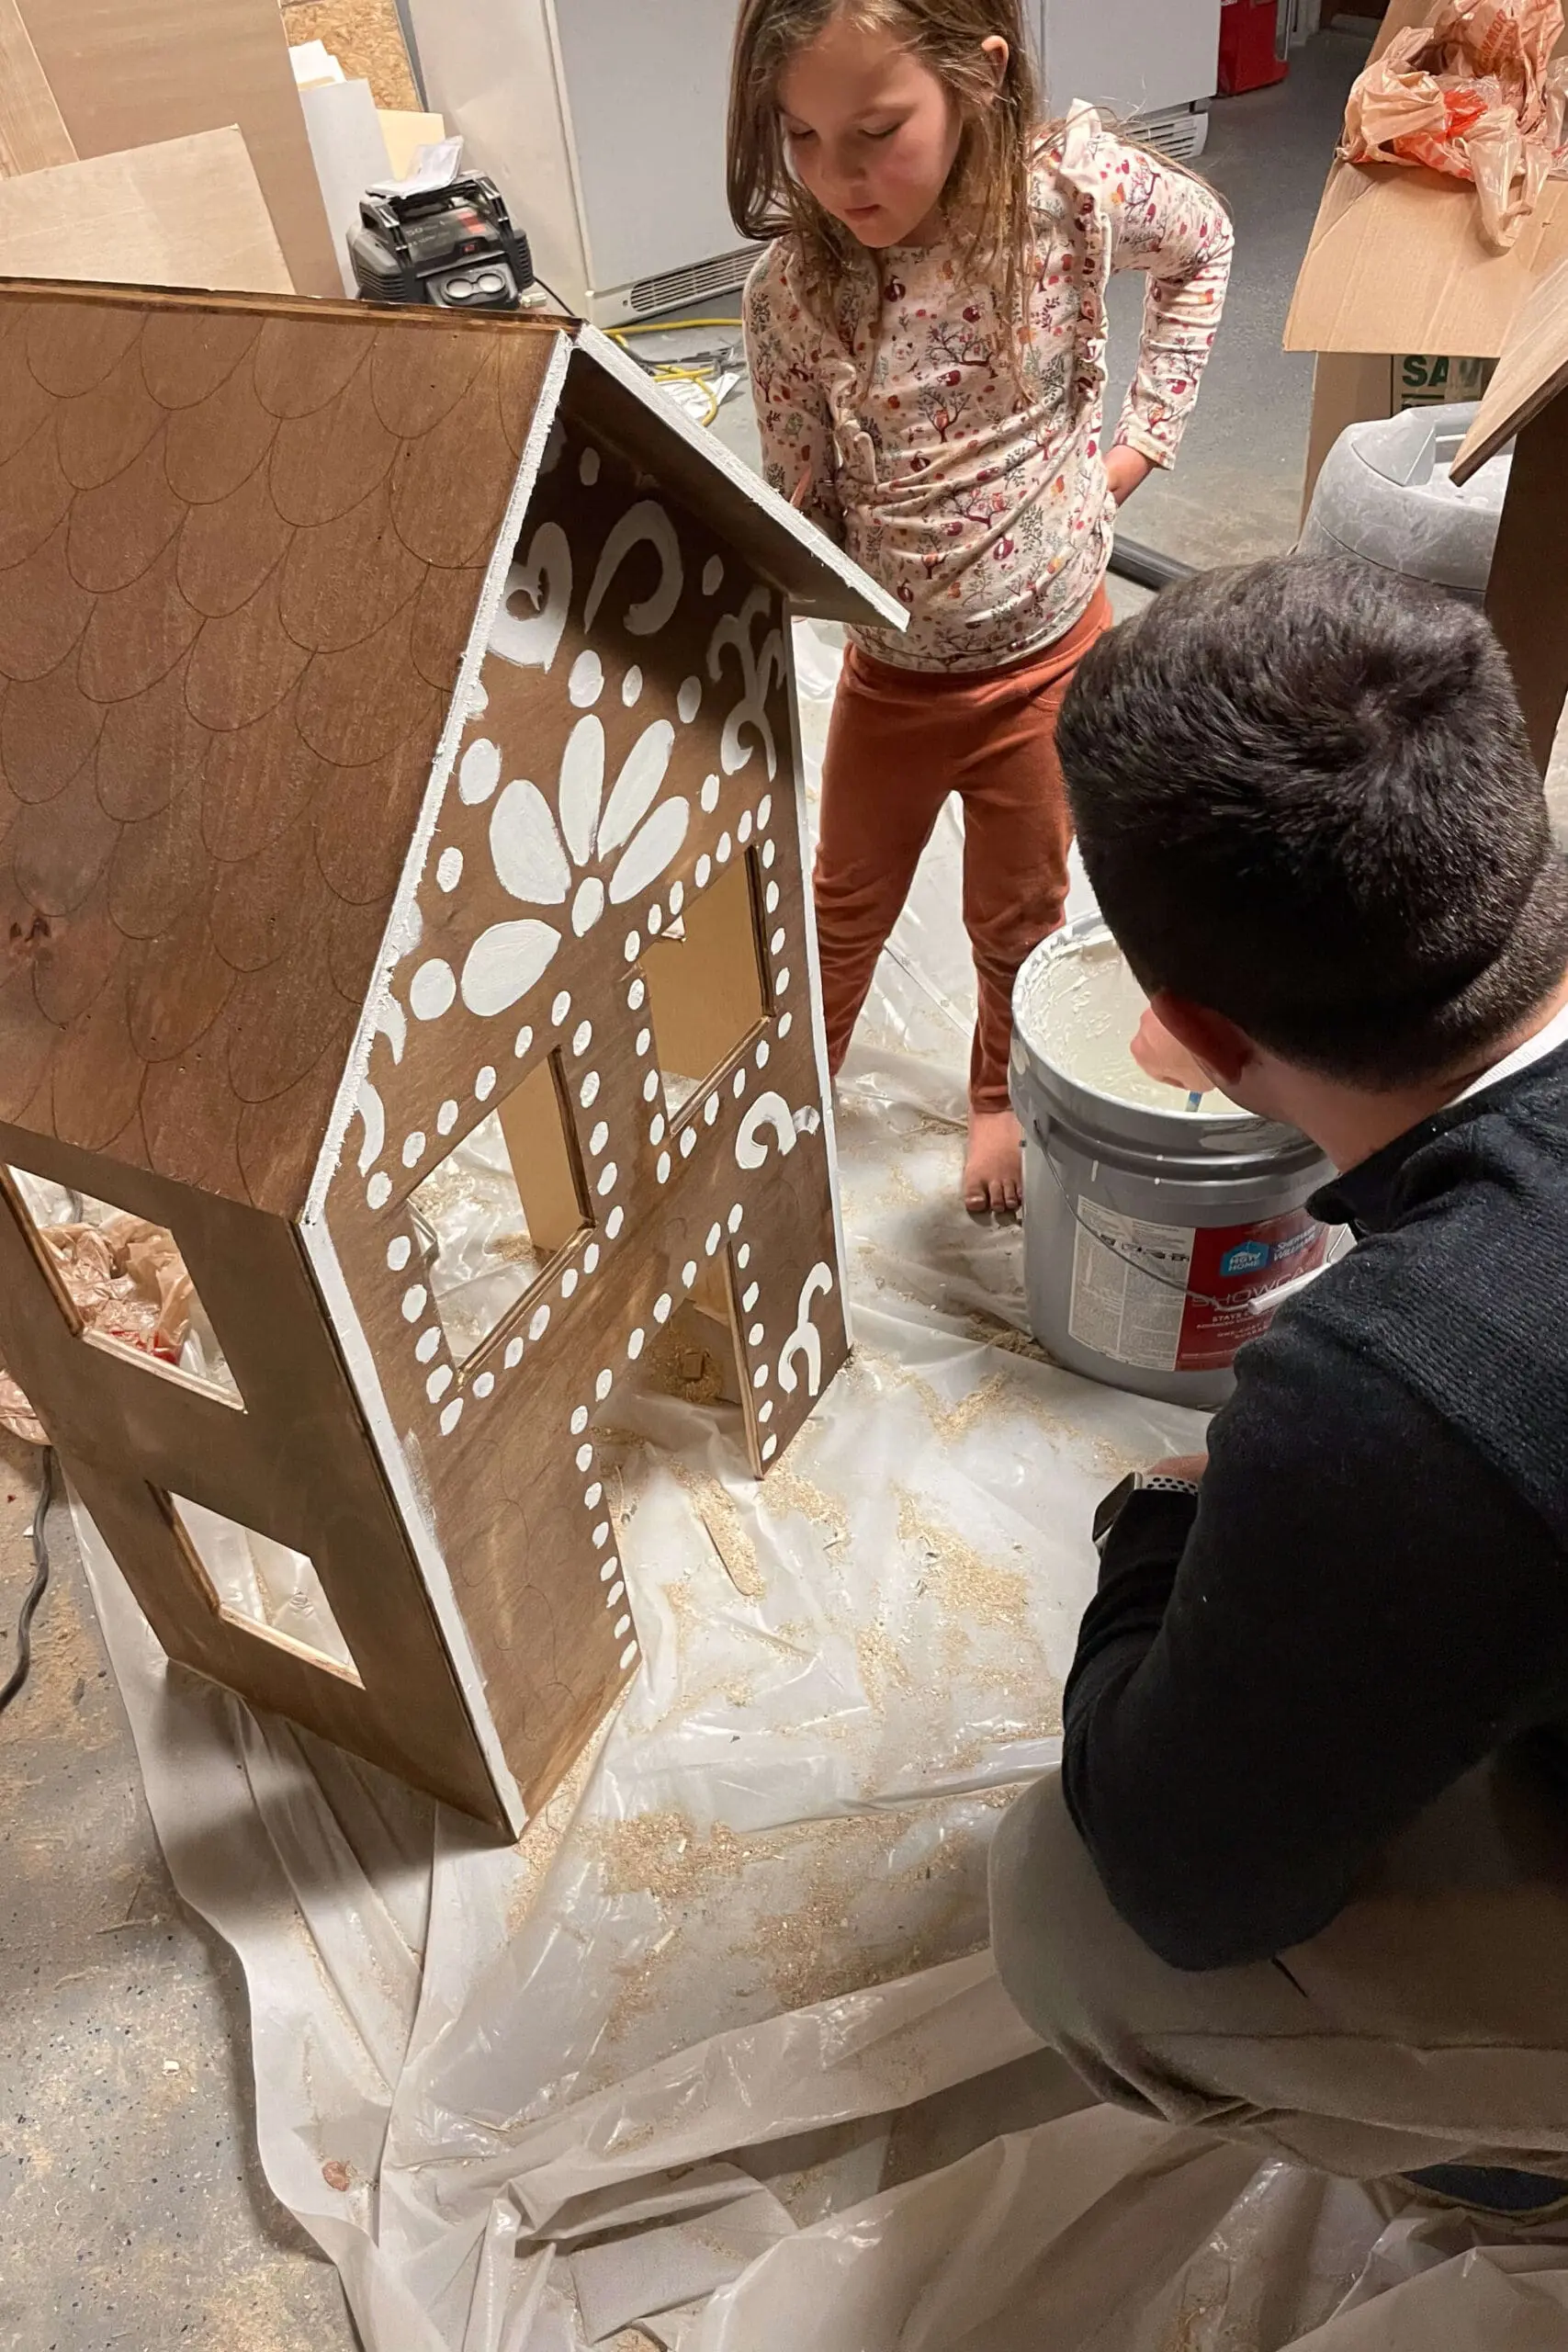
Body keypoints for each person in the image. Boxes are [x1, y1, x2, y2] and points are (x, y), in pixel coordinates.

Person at [988, 556, 1568, 2210]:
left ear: (1176, 1034)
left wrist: (1158, 1532)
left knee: (1071, 1920)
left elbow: (1185, 1877)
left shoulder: (1398, 1393)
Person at [727, 0, 1232, 1212]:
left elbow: (1202, 245)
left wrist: (1139, 446)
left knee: (1019, 911)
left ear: (979, 77)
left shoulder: (1069, 200)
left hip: (1050, 660)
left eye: (875, 129)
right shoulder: (790, 291)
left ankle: (996, 1099)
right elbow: (797, 492)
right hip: (891, 683)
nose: (836, 175)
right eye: (797, 136)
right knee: (839, 906)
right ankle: (790, 1096)